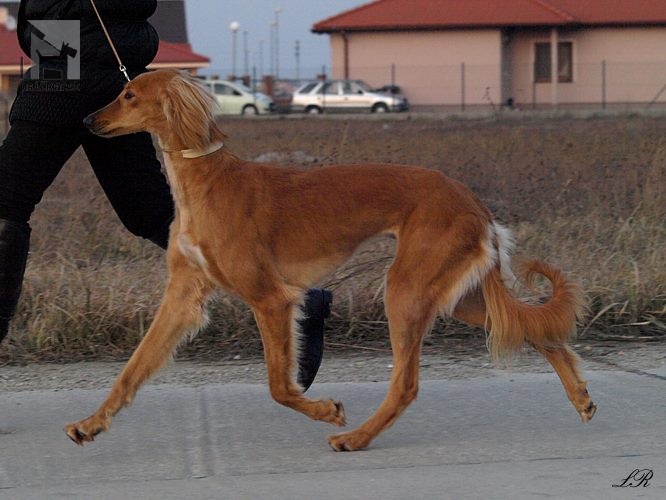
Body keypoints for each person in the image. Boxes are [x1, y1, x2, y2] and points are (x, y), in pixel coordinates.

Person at [0, 0, 330, 390]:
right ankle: (296, 295)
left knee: (6, 204)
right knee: (150, 212)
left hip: (70, 59)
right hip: (84, 59)